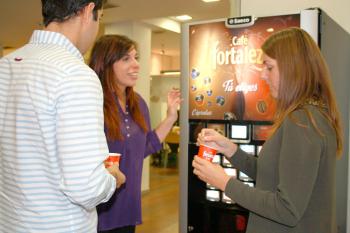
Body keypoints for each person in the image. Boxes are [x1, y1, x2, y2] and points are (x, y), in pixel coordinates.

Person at [192, 27, 343, 233]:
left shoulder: (302, 121)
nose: (262, 75)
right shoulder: (310, 115)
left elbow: (287, 209)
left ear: (294, 69)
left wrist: (225, 182)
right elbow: (272, 176)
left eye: (269, 67)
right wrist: (230, 149)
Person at [0, 0, 125, 232]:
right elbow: (85, 187)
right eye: (101, 16)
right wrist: (112, 178)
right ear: (88, 11)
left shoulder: (5, 66)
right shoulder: (76, 75)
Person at [88, 34, 181, 233]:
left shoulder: (138, 103)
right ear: (105, 63)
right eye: (126, 59)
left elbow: (145, 147)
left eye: (136, 57)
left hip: (128, 207)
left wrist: (171, 117)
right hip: (97, 210)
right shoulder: (92, 101)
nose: (136, 64)